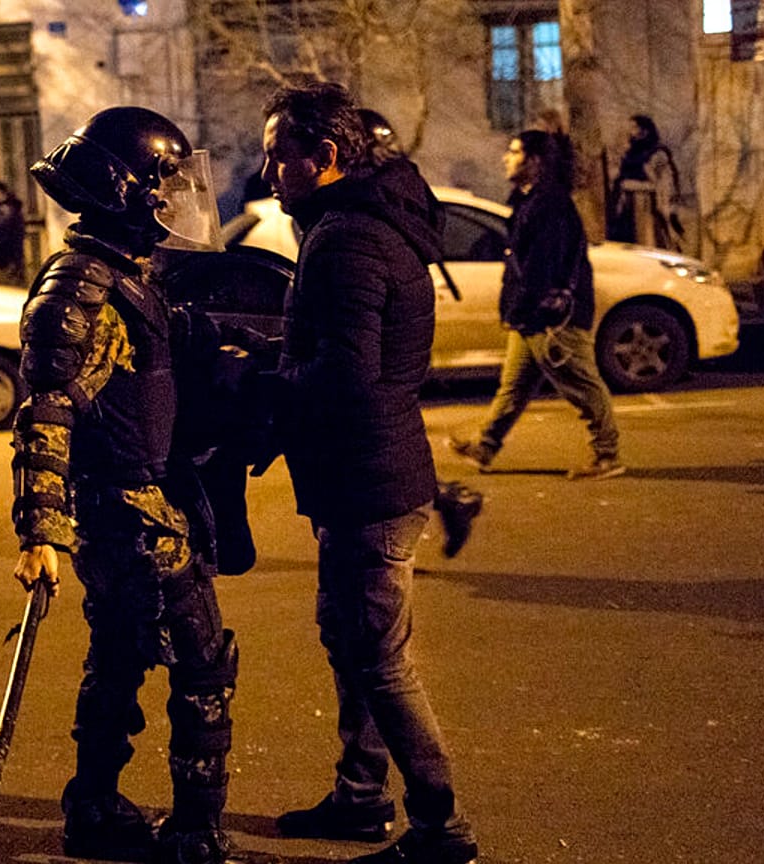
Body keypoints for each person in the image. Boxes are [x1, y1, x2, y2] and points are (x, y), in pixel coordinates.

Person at [10, 106, 245, 864]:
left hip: (132, 510)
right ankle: (195, 833)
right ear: (122, 189)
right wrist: (39, 529)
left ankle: (96, 808)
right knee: (201, 663)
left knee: (117, 656)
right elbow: (46, 408)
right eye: (160, 186)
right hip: (130, 515)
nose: (172, 202)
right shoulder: (80, 288)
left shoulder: (121, 277)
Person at [260, 82, 480, 864]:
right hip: (369, 475)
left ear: (323, 159)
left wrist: (258, 380)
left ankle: (440, 826)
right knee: (351, 641)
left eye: (280, 154)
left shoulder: (346, 238)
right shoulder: (358, 224)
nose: (268, 169)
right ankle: (359, 796)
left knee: (380, 660)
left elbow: (348, 375)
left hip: (368, 483)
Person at [448, 130, 624, 480]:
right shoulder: (528, 200)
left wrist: (526, 306)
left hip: (551, 317)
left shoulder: (551, 205)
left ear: (535, 162)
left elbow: (541, 266)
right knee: (513, 387)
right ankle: (485, 446)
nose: (506, 158)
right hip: (529, 315)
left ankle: (608, 456)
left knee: (583, 385)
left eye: (514, 152)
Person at [357, 106, 485, 558]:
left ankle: (448, 497)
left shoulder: (367, 215)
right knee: (393, 431)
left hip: (387, 337)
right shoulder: (399, 192)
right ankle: (449, 498)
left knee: (383, 435)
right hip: (401, 333)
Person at [606, 114, 682, 250]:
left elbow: (664, 185)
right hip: (627, 207)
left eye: (634, 127)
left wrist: (635, 186)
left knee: (648, 243)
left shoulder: (658, 154)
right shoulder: (629, 153)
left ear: (645, 131)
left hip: (646, 207)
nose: (631, 132)